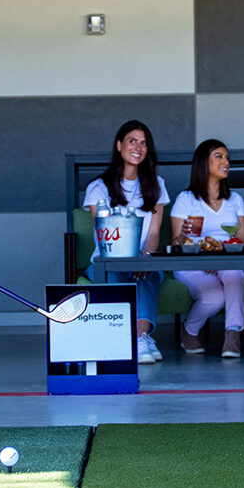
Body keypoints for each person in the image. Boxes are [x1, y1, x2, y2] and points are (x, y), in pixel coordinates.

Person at [83, 120, 170, 364]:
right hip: (107, 262)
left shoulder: (156, 185)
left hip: (143, 259)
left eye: (144, 143)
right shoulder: (98, 187)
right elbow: (103, 234)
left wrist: (144, 259)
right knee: (124, 275)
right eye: (132, 141)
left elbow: (154, 233)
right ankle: (134, 340)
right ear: (119, 145)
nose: (138, 148)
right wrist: (128, 261)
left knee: (147, 275)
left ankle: (141, 338)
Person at [170, 139, 244, 358]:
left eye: (227, 158)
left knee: (233, 272)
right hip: (193, 264)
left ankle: (233, 335)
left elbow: (241, 239)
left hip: (229, 261)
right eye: (219, 156)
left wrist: (219, 258)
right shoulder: (186, 199)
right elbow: (176, 242)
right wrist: (184, 235)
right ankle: (189, 330)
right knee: (215, 297)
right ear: (203, 162)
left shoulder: (235, 200)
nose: (226, 162)